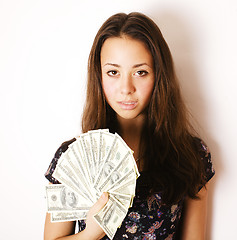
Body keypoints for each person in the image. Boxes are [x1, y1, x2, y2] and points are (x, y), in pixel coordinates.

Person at [44, 12, 215, 240]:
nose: (126, 88)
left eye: (140, 72)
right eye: (113, 72)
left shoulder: (191, 155)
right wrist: (92, 232)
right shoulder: (74, 158)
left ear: (158, 76)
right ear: (99, 76)